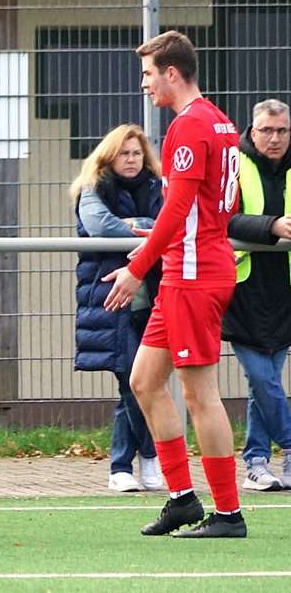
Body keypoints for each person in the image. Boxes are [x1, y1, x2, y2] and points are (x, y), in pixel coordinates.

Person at [104, 31, 245, 538]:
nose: (143, 84)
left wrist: (137, 266)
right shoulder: (221, 122)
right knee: (144, 381)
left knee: (200, 393)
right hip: (191, 268)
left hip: (193, 276)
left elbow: (180, 207)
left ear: (170, 73)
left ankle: (228, 513)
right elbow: (213, 206)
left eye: (147, 74)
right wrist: (165, 241)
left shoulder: (189, 125)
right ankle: (183, 499)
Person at [70, 124, 164, 493]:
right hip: (112, 300)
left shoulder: (157, 187)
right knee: (131, 382)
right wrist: (151, 230)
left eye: (137, 153)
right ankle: (137, 460)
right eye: (124, 153)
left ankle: (131, 463)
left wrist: (139, 225)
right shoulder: (94, 187)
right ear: (109, 156)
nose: (131, 159)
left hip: (154, 300)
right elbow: (100, 226)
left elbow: (174, 224)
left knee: (146, 383)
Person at [222, 98, 291, 491]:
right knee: (263, 379)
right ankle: (289, 448)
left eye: (282, 130)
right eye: (267, 130)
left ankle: (256, 462)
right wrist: (272, 226)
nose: (275, 138)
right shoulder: (235, 164)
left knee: (264, 384)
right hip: (243, 290)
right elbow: (224, 218)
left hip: (285, 292)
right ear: (252, 131)